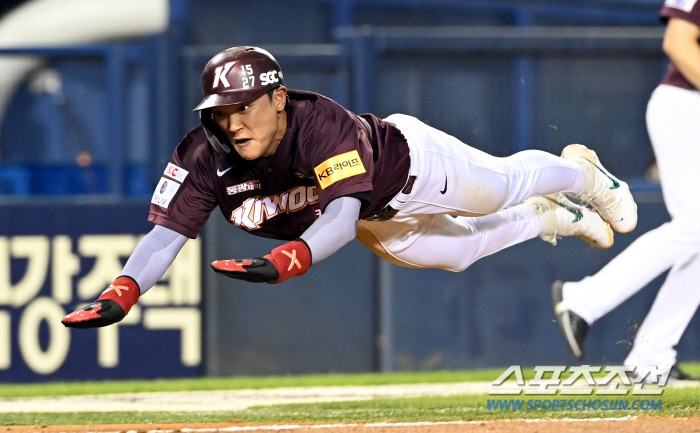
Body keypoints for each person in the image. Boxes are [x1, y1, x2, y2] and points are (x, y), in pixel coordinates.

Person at [61, 46, 637, 329]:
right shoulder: (203, 153)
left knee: (499, 187)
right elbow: (167, 235)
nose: (232, 122)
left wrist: (291, 259)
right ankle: (550, 219)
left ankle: (582, 172)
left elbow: (336, 217)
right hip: (374, 217)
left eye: (244, 107)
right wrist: (124, 291)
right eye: (221, 110)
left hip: (412, 164)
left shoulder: (319, 122)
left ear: (278, 98)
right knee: (459, 253)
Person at [551, 0, 700, 382]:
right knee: (694, 227)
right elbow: (679, 42)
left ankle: (651, 358)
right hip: (686, 103)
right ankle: (583, 299)